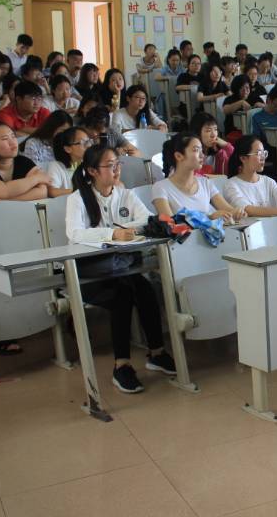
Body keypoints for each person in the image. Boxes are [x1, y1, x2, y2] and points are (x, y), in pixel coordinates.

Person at [66, 144, 175, 393]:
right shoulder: (78, 199)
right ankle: (121, 365)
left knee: (146, 289)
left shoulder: (125, 194)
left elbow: (146, 218)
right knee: (122, 296)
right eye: (109, 165)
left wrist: (127, 229)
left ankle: (157, 353)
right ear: (92, 171)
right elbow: (75, 233)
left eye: (118, 164)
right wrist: (113, 233)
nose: (116, 170)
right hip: (90, 274)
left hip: (122, 267)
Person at [0, 120, 52, 356]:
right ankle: (1, 333)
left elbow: (43, 192)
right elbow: (2, 191)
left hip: (23, 229)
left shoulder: (23, 162)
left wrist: (2, 202)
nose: (13, 142)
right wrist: (32, 181)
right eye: (4, 139)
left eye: (13, 136)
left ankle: (40, 317)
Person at [152, 132, 245, 221]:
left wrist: (238, 212)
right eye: (196, 150)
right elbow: (170, 224)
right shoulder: (161, 187)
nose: (202, 155)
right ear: (179, 156)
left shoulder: (205, 183)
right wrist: (209, 218)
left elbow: (229, 210)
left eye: (202, 150)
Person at [46, 127, 91, 197]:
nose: (88, 146)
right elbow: (52, 192)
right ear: (68, 149)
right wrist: (81, 190)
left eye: (88, 142)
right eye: (83, 142)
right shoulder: (56, 166)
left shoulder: (90, 165)